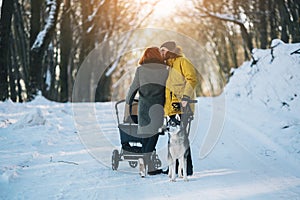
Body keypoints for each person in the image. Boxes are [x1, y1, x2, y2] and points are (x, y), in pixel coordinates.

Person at [125, 47, 169, 176]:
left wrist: (128, 103)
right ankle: (148, 165)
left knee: (145, 134)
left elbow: (133, 88)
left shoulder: (140, 70)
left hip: (143, 107)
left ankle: (146, 163)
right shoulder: (164, 70)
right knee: (154, 134)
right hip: (158, 107)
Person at [160, 41, 198, 176]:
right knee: (172, 137)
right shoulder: (169, 67)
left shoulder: (182, 61)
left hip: (183, 107)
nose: (161, 53)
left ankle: (187, 168)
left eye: (163, 50)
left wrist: (186, 97)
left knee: (182, 137)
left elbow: (192, 78)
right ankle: (174, 167)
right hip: (171, 109)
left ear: (170, 50)